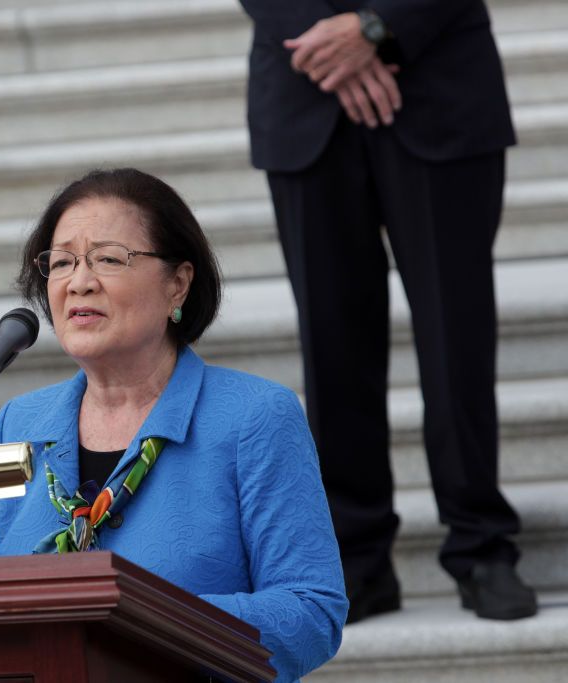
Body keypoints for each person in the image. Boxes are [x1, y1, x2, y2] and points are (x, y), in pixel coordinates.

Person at [0, 168, 347, 682]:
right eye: (61, 262)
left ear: (178, 284)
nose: (79, 281)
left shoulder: (254, 417)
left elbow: (310, 612)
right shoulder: (22, 422)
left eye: (108, 258)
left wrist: (137, 621)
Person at [236, 0, 538, 622]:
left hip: (439, 78)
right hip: (302, 90)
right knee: (332, 340)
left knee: (457, 334)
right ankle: (356, 557)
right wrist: (327, 45)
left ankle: (482, 544)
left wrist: (378, 28)